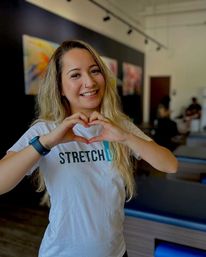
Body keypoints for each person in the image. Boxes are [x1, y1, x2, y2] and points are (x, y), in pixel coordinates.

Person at [0, 40, 178, 257]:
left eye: (95, 71)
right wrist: (46, 143)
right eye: (75, 75)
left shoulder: (119, 126)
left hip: (116, 252)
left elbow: (170, 165)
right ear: (60, 87)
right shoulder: (45, 130)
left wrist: (125, 136)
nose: (90, 82)